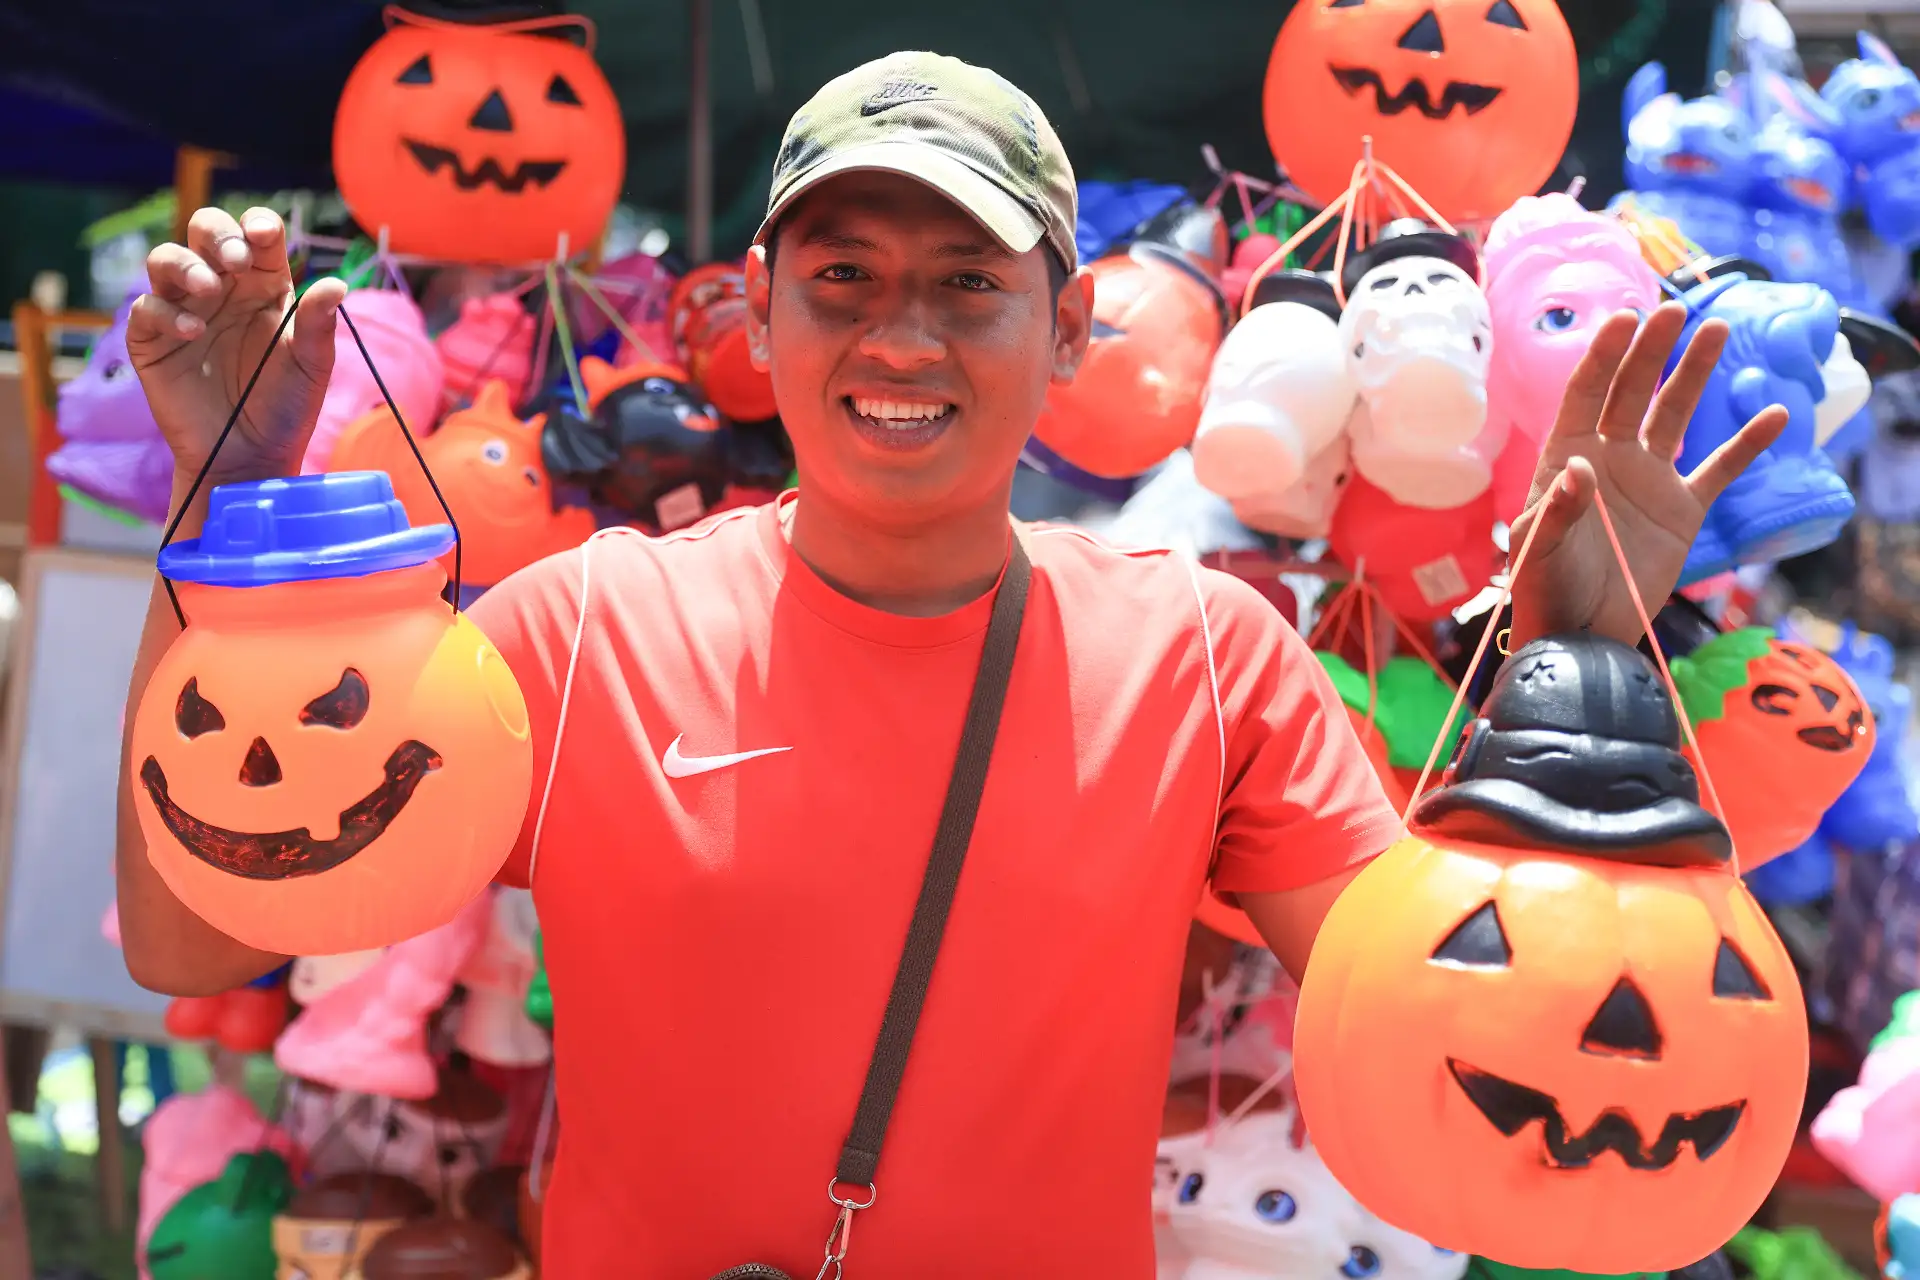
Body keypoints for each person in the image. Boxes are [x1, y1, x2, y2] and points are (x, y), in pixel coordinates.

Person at [116, 51, 1785, 1280]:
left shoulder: (1212, 658)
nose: (900, 336)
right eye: (842, 278)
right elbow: (200, 925)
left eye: (968, 285)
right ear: (759, 320)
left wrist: (1585, 674)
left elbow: (1435, 1023)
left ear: (1067, 335)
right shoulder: (582, 631)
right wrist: (223, 534)